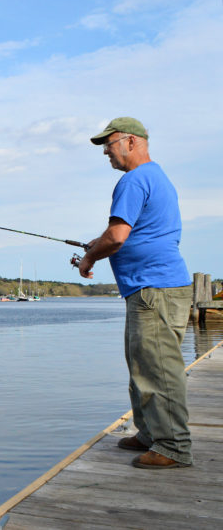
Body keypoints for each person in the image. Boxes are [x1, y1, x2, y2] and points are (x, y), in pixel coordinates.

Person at [78, 117, 193, 469]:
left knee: (158, 368)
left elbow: (116, 237)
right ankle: (148, 432)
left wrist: (89, 257)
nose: (106, 154)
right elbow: (129, 233)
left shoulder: (134, 179)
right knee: (142, 364)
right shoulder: (156, 177)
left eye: (109, 145)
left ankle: (173, 446)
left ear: (131, 141)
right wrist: (99, 244)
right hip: (154, 288)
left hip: (153, 289)